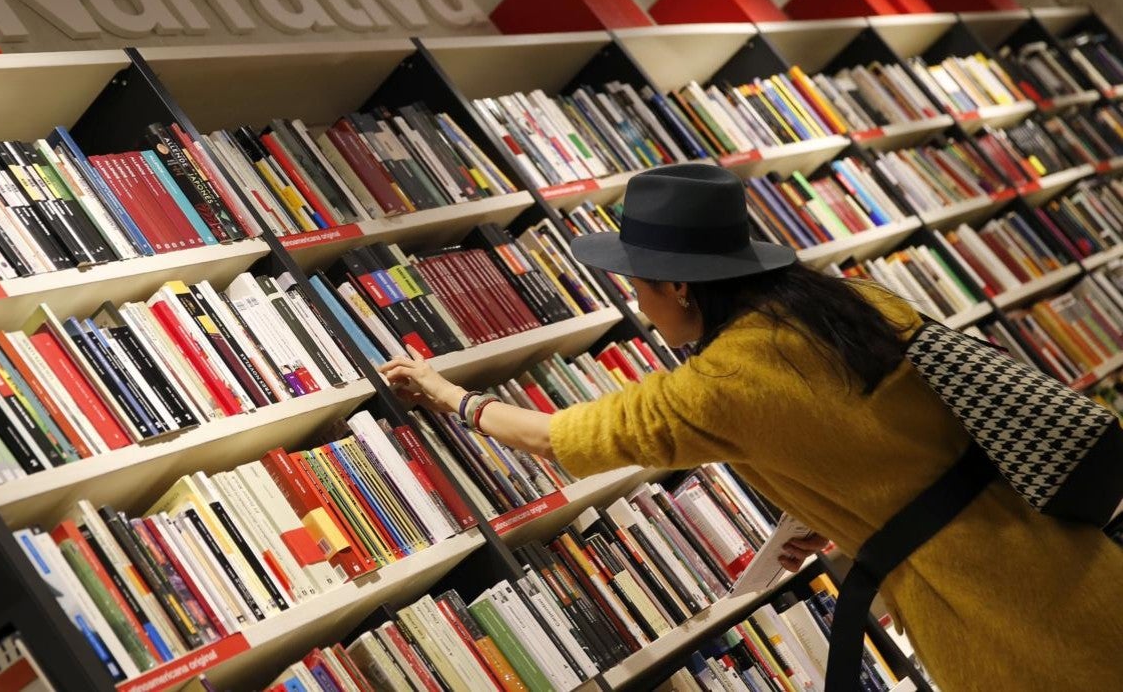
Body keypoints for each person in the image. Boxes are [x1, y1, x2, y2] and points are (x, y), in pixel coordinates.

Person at [379, 164, 1123, 691]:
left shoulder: (722, 382)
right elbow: (879, 434)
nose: (639, 308)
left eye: (640, 289)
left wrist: (449, 394)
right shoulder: (845, 304)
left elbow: (558, 438)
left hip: (996, 612)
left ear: (678, 286)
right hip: (1069, 555)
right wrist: (826, 505)